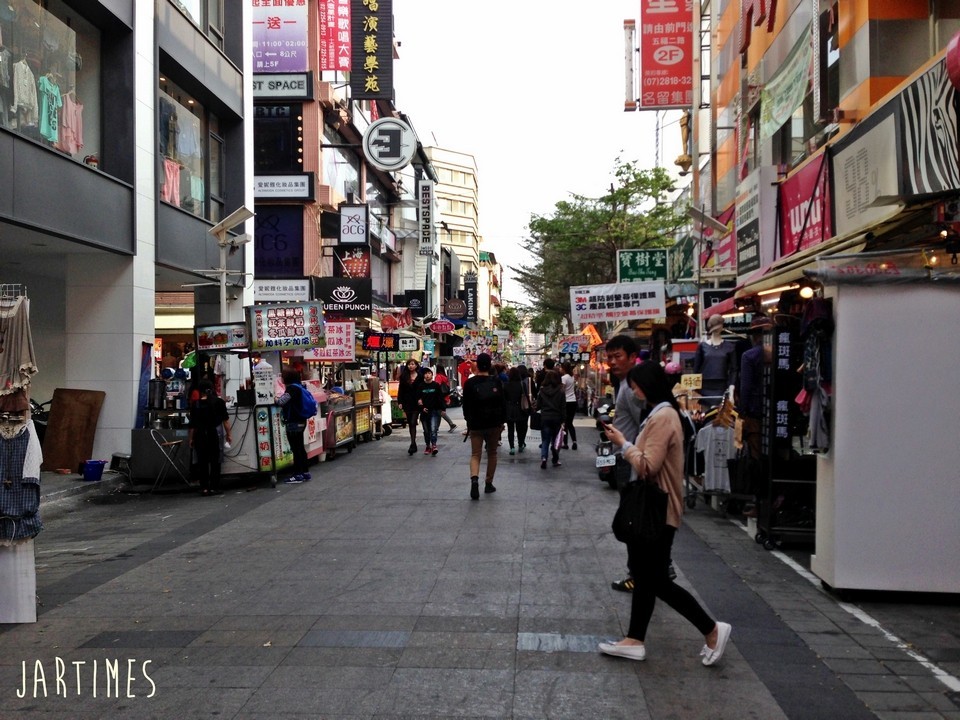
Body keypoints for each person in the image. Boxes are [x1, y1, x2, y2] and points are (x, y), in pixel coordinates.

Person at [599, 362, 732, 666]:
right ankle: (635, 640)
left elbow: (648, 465)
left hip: (657, 509)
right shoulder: (660, 414)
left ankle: (712, 629)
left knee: (655, 580)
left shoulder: (663, 417)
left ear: (647, 385)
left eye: (635, 386)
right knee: (647, 577)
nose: (633, 392)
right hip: (656, 508)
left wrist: (623, 444)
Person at [605, 334, 645, 592]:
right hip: (626, 455)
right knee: (633, 517)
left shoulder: (631, 388)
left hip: (630, 458)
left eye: (617, 356)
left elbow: (645, 423)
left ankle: (640, 573)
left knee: (632, 519)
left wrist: (628, 446)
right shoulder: (624, 384)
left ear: (632, 357)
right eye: (609, 357)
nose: (612, 362)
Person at [737, 314, 773, 516]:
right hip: (775, 413)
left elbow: (746, 387)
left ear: (755, 335)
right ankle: (774, 500)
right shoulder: (778, 353)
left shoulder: (749, 356)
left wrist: (742, 414)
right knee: (773, 459)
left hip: (755, 414)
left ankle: (759, 503)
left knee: (757, 459)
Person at [462, 353, 506, 499]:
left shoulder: (470, 383)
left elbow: (465, 405)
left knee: (475, 454)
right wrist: (502, 422)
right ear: (489, 365)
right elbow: (502, 403)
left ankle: (474, 479)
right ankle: (488, 483)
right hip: (494, 424)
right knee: (492, 453)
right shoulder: (496, 382)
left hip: (476, 424)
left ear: (477, 366)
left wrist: (468, 420)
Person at [188, 379, 231, 496]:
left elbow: (192, 425)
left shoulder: (195, 404)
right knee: (215, 461)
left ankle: (204, 488)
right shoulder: (219, 402)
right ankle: (214, 487)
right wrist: (229, 434)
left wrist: (191, 439)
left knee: (202, 462)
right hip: (214, 434)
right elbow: (225, 421)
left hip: (200, 435)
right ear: (212, 389)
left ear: (200, 391)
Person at [694, 314, 737, 407]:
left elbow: (733, 370)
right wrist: (693, 392)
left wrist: (731, 390)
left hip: (722, 387)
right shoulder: (702, 347)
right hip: (704, 388)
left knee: (720, 413)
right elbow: (696, 370)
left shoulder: (729, 347)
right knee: (705, 414)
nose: (717, 330)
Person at [277, 369, 311, 483]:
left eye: (283, 376)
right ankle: (305, 472)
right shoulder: (300, 386)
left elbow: (282, 401)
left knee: (296, 448)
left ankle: (297, 474)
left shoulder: (292, 388)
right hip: (301, 420)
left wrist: (275, 399)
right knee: (300, 447)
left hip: (294, 422)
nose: (281, 378)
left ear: (287, 378)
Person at [535, 369, 566, 469]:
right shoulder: (561, 391)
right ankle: (555, 459)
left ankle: (544, 458)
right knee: (555, 440)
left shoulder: (542, 390)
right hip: (557, 418)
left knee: (545, 440)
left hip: (545, 417)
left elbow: (538, 406)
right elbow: (563, 407)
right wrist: (563, 420)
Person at [397, 358, 425, 455]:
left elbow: (423, 388)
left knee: (413, 421)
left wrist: (422, 399)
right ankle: (413, 443)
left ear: (416, 365)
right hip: (407, 402)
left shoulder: (420, 376)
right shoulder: (404, 376)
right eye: (409, 364)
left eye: (413, 364)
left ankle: (413, 444)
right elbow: (400, 389)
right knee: (410, 422)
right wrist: (400, 401)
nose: (411, 366)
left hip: (416, 402)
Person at [417, 368, 445, 456]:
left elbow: (440, 398)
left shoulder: (436, 385)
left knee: (433, 429)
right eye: (426, 373)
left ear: (432, 375)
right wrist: (422, 408)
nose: (427, 375)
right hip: (424, 412)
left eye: (429, 373)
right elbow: (418, 399)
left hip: (434, 411)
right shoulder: (421, 386)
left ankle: (434, 445)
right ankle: (427, 446)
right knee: (426, 431)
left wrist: (443, 409)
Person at [503, 366, 530, 455]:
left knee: (510, 429)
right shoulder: (522, 384)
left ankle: (512, 447)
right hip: (520, 408)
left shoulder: (506, 385)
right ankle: (520, 444)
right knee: (520, 428)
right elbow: (526, 396)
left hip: (509, 408)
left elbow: (504, 398)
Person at [433, 366, 458, 433]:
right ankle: (436, 428)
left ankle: (451, 424)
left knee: (440, 412)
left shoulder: (438, 376)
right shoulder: (445, 377)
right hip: (445, 396)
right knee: (439, 412)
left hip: (440, 397)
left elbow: (437, 385)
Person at [560, 362, 579, 450]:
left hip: (566, 402)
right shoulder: (572, 377)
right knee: (570, 423)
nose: (560, 369)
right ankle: (574, 441)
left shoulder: (564, 378)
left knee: (564, 423)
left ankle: (565, 443)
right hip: (573, 401)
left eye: (561, 367)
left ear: (564, 368)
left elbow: (562, 390)